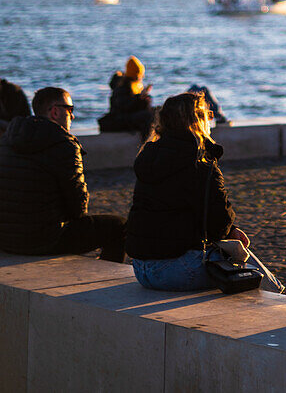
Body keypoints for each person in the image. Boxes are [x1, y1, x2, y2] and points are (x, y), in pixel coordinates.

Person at [125, 91, 248, 290]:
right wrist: (232, 230)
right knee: (244, 267)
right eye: (208, 115)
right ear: (197, 122)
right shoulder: (200, 163)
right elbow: (219, 224)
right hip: (179, 271)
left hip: (141, 269)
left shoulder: (149, 156)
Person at [0, 86, 125, 261]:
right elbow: (78, 208)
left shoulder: (6, 140)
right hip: (42, 240)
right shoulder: (64, 144)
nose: (73, 116)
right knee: (118, 226)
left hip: (4, 238)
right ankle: (105, 283)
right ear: (55, 112)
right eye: (70, 110)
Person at [98, 56, 154, 138]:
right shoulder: (122, 86)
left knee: (156, 112)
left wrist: (145, 98)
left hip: (128, 117)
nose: (140, 78)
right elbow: (124, 106)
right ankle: (146, 142)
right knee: (147, 116)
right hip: (120, 119)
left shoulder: (137, 85)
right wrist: (139, 98)